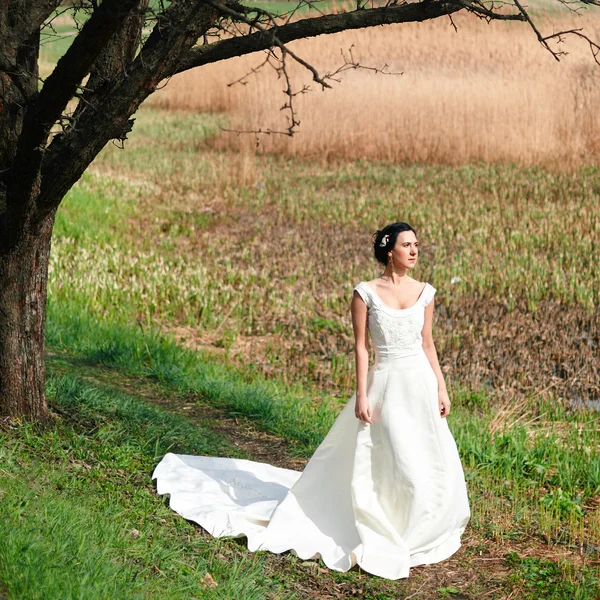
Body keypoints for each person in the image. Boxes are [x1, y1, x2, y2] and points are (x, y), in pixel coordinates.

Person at [152, 221, 470, 580]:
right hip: (385, 384)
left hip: (419, 383)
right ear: (388, 251)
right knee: (390, 454)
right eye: (406, 245)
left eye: (416, 245)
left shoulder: (425, 292)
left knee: (423, 454)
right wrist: (362, 394)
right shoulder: (365, 293)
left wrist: (441, 387)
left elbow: (428, 344)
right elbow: (362, 348)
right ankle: (384, 521)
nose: (414, 251)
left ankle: (423, 523)